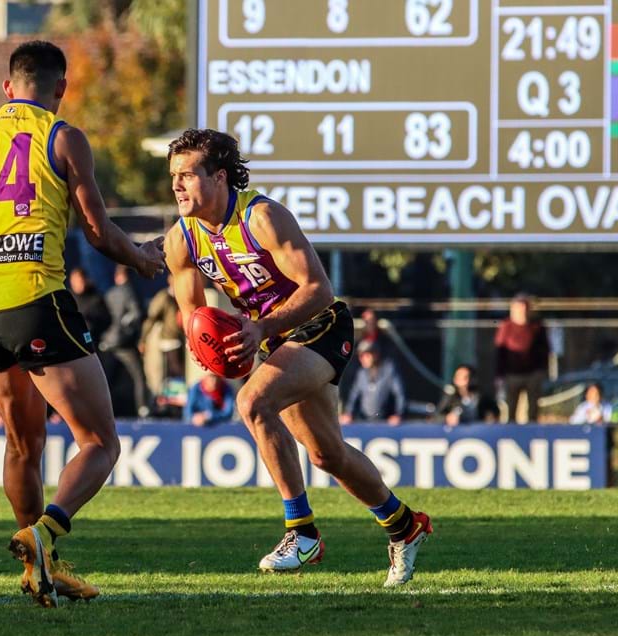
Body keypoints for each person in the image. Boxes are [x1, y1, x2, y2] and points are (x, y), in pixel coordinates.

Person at [0, 40, 165, 608]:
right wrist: (142, 259)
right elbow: (97, 231)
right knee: (99, 441)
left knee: (22, 444)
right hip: (37, 300)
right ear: (61, 88)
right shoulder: (63, 137)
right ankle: (43, 533)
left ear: (7, 88)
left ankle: (40, 569)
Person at [163, 128, 431, 586]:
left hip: (321, 324)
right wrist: (210, 347)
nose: (177, 185)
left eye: (187, 175)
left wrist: (260, 329)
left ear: (220, 177)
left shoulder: (262, 217)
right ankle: (405, 525)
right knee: (327, 455)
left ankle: (302, 532)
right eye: (173, 176)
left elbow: (318, 289)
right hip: (273, 339)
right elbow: (193, 316)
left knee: (252, 403)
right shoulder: (181, 239)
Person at [494, 293, 550, 423]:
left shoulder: (537, 326)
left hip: (533, 374)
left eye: (524, 308)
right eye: (519, 308)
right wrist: (499, 375)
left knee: (533, 410)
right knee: (511, 408)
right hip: (512, 374)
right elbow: (500, 352)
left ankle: (532, 431)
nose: (522, 311)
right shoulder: (506, 326)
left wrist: (542, 370)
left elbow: (545, 349)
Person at [101, 264, 147, 416]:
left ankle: (102, 410)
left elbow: (104, 316)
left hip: (108, 342)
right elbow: (136, 314)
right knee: (139, 376)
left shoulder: (109, 293)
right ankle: (143, 408)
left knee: (107, 379)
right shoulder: (130, 291)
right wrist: (128, 331)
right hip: (124, 343)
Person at [340, 340, 407, 425]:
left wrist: (398, 414)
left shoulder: (389, 369)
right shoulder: (361, 373)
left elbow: (400, 393)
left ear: (376, 354)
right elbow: (354, 396)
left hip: (385, 422)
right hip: (364, 421)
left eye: (366, 355)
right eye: (360, 356)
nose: (363, 359)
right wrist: (349, 413)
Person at [140, 281, 184, 407]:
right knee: (168, 373)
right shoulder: (164, 297)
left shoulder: (181, 297)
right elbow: (151, 317)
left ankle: (175, 402)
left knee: (176, 373)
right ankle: (162, 403)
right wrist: (143, 339)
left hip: (178, 340)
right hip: (167, 341)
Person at [67, 267, 111, 346]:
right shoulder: (67, 298)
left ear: (86, 280)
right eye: (75, 281)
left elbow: (106, 320)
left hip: (93, 340)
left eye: (80, 281)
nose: (78, 284)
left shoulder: (95, 298)